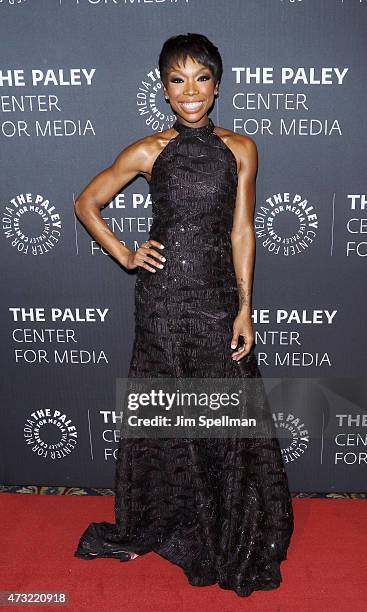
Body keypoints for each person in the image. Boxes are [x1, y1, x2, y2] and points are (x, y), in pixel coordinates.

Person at [73, 33, 294, 598]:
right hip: (164, 304)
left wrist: (245, 308)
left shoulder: (242, 148)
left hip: (218, 300)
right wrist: (126, 253)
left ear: (217, 86)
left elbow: (242, 231)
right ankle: (174, 518)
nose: (189, 90)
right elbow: (86, 202)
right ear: (164, 89)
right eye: (177, 79)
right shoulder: (150, 150)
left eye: (200, 78)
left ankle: (227, 520)